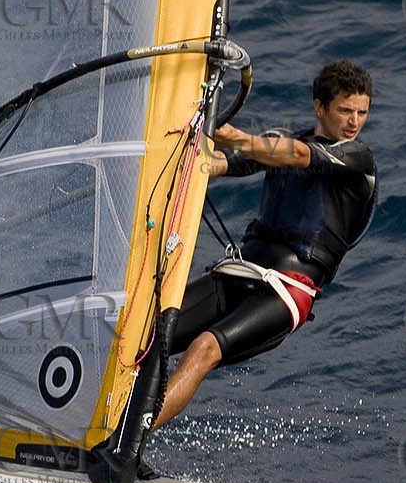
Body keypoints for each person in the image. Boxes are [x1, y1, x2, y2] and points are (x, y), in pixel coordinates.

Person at [149, 59, 377, 432]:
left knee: (204, 347)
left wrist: (240, 137)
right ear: (319, 107)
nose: (354, 122)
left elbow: (300, 156)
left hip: (288, 290)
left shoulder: (358, 158)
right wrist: (185, 150)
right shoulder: (278, 141)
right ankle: (92, 425)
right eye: (345, 110)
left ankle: (124, 446)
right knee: (149, 335)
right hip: (240, 271)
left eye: (362, 112)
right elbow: (222, 163)